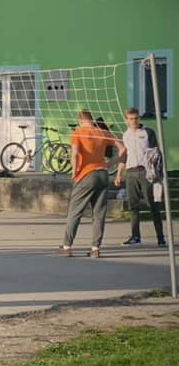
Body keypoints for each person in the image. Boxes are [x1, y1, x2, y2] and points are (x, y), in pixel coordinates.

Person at [59, 109, 125, 258]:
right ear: (91, 119)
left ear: (80, 120)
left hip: (86, 174)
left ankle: (67, 246)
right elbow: (122, 148)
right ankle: (95, 248)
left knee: (75, 212)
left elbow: (75, 153)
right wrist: (110, 164)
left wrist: (74, 172)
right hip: (102, 173)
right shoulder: (102, 132)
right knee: (99, 214)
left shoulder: (78, 133)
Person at [116, 107, 166, 247]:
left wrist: (157, 175)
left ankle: (160, 237)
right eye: (131, 119)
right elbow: (123, 156)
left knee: (153, 205)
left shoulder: (148, 132)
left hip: (146, 173)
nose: (134, 121)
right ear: (126, 120)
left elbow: (156, 154)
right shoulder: (125, 135)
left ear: (139, 118)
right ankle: (135, 237)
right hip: (131, 173)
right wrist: (119, 174)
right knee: (133, 206)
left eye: (136, 118)